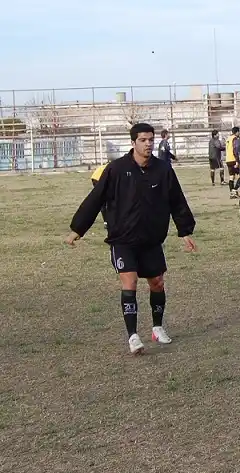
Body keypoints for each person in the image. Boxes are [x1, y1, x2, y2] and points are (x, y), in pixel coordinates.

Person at [66, 123, 197, 354]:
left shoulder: (163, 169)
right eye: (143, 140)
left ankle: (157, 328)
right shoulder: (116, 169)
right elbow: (95, 199)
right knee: (130, 282)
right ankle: (133, 336)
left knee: (157, 283)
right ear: (133, 142)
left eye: (151, 140)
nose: (148, 144)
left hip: (151, 240)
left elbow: (176, 200)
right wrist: (78, 229)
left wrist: (185, 230)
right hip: (122, 239)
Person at [90, 161, 110, 227]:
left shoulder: (111, 165)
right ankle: (106, 221)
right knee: (103, 200)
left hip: (94, 177)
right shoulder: (115, 168)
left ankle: (106, 221)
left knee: (103, 199)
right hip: (98, 178)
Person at [226, 127, 240, 198]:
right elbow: (235, 150)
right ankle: (234, 190)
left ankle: (232, 193)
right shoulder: (235, 138)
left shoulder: (228, 138)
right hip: (233, 159)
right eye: (239, 132)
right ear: (237, 132)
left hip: (228, 160)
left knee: (232, 177)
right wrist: (237, 161)